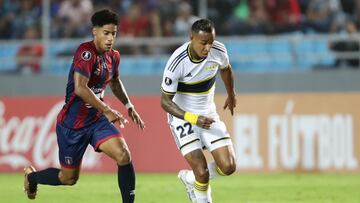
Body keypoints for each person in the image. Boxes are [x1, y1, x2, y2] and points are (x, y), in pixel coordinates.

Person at [23, 9, 145, 203]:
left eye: (114, 33)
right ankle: (32, 178)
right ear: (94, 31)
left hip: (96, 121)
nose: (110, 38)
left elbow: (114, 81)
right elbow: (80, 88)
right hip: (72, 125)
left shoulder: (113, 56)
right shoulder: (85, 53)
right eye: (106, 33)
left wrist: (128, 104)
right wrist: (107, 110)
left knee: (123, 155)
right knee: (68, 178)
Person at [160, 18, 237, 203]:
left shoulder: (218, 50)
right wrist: (192, 118)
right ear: (191, 38)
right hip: (183, 118)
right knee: (201, 172)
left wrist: (231, 94)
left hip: (208, 114)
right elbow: (164, 102)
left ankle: (189, 179)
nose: (208, 47)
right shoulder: (177, 62)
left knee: (228, 166)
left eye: (211, 42)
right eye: (203, 43)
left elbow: (226, 69)